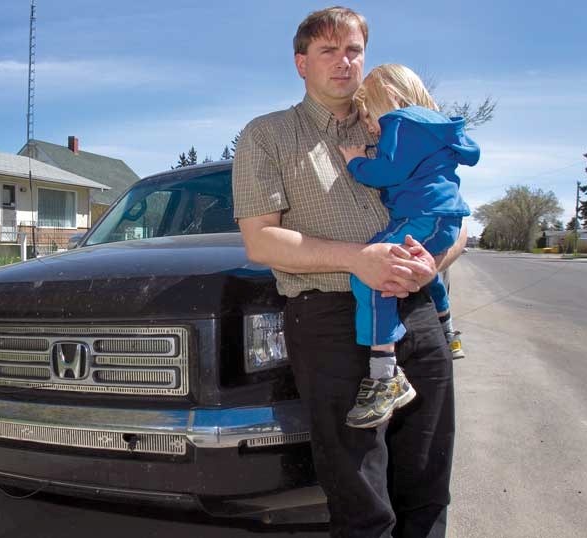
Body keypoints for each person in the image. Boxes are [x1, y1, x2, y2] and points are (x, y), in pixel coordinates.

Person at [232, 6, 465, 538]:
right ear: (301, 62)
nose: (343, 62)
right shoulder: (267, 135)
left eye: (353, 50)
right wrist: (358, 258)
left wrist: (433, 262)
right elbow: (260, 239)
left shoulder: (399, 122)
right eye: (327, 51)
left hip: (419, 310)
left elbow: (457, 216)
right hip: (332, 319)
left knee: (428, 481)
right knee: (360, 495)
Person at [338, 64, 478, 428]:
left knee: (372, 272)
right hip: (440, 218)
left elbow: (388, 172)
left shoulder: (400, 122)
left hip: (424, 217)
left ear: (390, 99)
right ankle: (449, 331)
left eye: (369, 115)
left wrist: (355, 162)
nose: (370, 125)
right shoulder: (430, 127)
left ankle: (385, 375)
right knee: (423, 270)